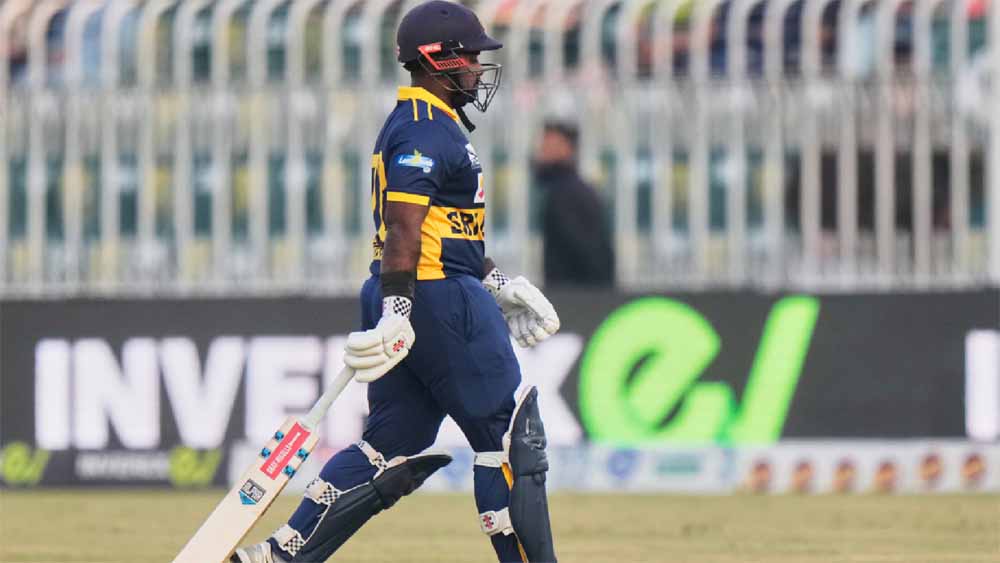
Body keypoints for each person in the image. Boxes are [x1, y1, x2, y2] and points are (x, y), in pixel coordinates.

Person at [232, 2, 560, 562]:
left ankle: (282, 554)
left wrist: (497, 281)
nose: (477, 69)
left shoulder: (424, 123)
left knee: (390, 442)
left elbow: (443, 231)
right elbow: (404, 227)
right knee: (508, 442)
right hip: (433, 296)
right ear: (437, 59)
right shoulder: (425, 129)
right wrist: (400, 310)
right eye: (470, 57)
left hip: (423, 287)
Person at [532, 122, 614, 288]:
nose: (541, 151)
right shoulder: (567, 190)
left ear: (566, 148)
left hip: (573, 296)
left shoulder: (566, 194)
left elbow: (590, 256)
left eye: (548, 145)